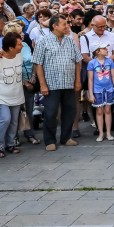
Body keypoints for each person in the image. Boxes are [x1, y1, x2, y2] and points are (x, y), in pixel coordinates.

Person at [33, 14, 82, 151]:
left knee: (70, 111)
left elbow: (78, 61)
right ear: (54, 26)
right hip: (51, 84)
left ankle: (66, 137)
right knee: (50, 112)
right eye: (64, 24)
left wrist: (77, 80)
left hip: (68, 83)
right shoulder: (43, 41)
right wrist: (42, 84)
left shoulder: (70, 40)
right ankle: (50, 140)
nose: (68, 26)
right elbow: (38, 64)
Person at [0, 33, 25, 158]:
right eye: (19, 44)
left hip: (16, 93)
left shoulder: (19, 55)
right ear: (11, 48)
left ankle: (10, 144)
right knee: (4, 119)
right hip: (0, 96)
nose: (22, 46)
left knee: (13, 121)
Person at [87, 42, 114, 142]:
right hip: (97, 91)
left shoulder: (110, 61)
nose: (107, 50)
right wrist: (91, 94)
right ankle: (101, 133)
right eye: (104, 48)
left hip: (109, 90)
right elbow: (90, 79)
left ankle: (108, 133)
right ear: (97, 51)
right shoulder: (92, 63)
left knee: (108, 110)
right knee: (99, 111)